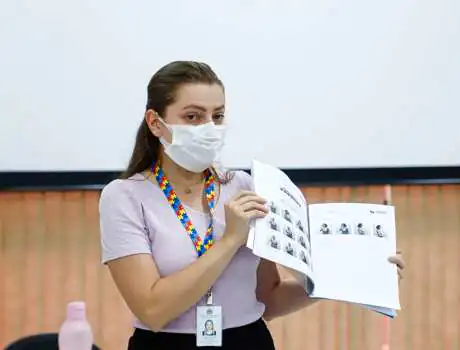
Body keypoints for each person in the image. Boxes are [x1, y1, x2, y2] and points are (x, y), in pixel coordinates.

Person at [99, 61, 405, 350]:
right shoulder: (124, 196)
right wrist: (231, 239)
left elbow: (269, 299)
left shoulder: (243, 186)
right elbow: (153, 310)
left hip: (249, 341)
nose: (209, 127)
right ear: (155, 122)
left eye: (217, 116)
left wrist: (350, 275)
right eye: (193, 117)